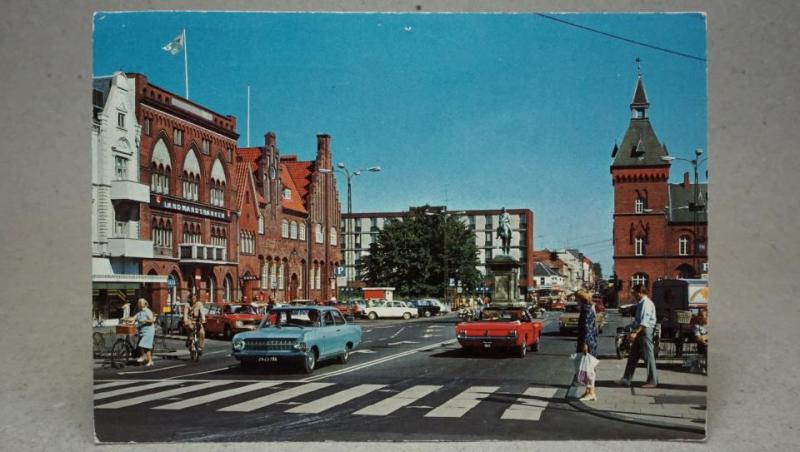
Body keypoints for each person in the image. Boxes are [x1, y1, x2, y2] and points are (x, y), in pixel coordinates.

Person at [618, 284, 659, 388]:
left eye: (634, 293)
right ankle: (626, 379)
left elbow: (644, 322)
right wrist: (629, 328)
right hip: (639, 330)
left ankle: (652, 381)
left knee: (648, 356)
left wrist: (635, 332)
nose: (633, 295)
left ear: (640, 292)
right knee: (633, 356)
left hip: (645, 331)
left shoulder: (646, 303)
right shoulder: (641, 303)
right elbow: (638, 321)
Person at [575, 289, 599, 401]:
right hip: (590, 341)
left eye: (577, 298)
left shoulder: (586, 309)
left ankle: (591, 392)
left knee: (589, 368)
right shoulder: (589, 308)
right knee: (587, 367)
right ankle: (588, 391)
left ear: (582, 299)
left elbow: (587, 328)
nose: (576, 300)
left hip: (587, 342)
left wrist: (585, 343)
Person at [133, 298, 155, 366]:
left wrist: (145, 320)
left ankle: (143, 356)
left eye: (140, 302)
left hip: (148, 331)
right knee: (146, 347)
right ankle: (150, 361)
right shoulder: (139, 313)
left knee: (141, 345)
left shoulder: (148, 311)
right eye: (138, 302)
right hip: (142, 331)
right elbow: (133, 318)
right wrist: (126, 319)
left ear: (144, 304)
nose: (139, 303)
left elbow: (152, 320)